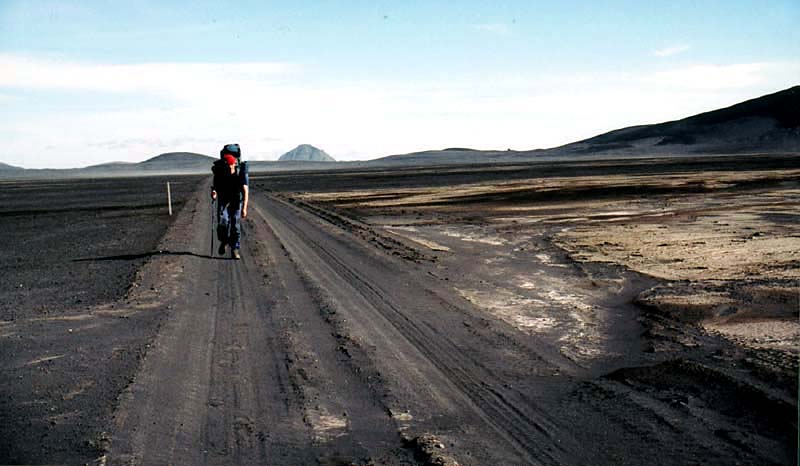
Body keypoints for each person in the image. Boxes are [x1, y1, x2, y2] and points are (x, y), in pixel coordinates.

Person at [211, 144, 249, 260]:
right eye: (227, 167)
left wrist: (244, 208)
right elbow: (215, 186)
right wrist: (214, 193)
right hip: (223, 199)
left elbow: (245, 191)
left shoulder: (240, 173)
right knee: (223, 222)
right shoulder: (220, 171)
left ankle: (235, 249)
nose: (229, 169)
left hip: (237, 200)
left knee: (235, 225)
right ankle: (224, 241)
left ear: (234, 164)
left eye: (231, 166)